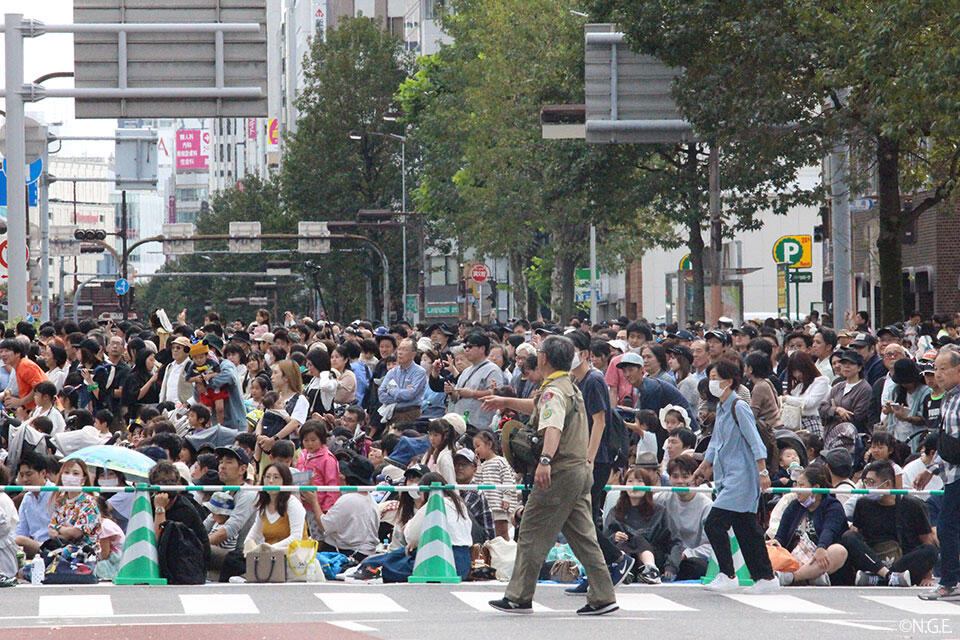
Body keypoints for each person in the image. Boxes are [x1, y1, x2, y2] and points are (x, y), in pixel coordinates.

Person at [489, 334, 618, 617]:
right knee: (584, 536)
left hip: (558, 472)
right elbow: (540, 408)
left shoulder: (553, 391)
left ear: (544, 358)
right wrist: (505, 401)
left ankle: (519, 596)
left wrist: (544, 461)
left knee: (532, 531)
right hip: (579, 470)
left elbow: (552, 425)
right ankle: (603, 595)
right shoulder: (567, 386)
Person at [693, 359, 776, 593]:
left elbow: (755, 440)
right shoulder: (721, 406)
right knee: (745, 527)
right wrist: (705, 465)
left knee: (714, 523)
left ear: (729, 381)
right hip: (728, 476)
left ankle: (728, 574)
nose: (711, 382)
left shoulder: (738, 405)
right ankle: (765, 578)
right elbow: (716, 441)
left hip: (742, 478)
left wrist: (762, 471)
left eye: (715, 378)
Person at [841, 459, 937, 587]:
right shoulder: (863, 504)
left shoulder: (913, 505)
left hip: (903, 561)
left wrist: (927, 576)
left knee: (930, 550)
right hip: (874, 560)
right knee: (849, 537)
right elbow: (856, 534)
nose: (868, 487)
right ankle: (888, 576)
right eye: (866, 482)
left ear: (888, 484)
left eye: (872, 482)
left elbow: (927, 540)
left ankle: (880, 579)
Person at [916, 346, 960, 600]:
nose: (938, 375)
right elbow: (946, 442)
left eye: (944, 369)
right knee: (947, 526)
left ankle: (950, 581)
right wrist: (929, 470)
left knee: (946, 526)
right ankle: (951, 580)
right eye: (936, 369)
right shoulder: (947, 399)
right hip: (952, 475)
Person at [771, 465, 849, 586]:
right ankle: (804, 577)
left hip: (821, 557)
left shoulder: (833, 506)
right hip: (793, 558)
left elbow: (829, 530)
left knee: (839, 551)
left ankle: (794, 578)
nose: (797, 489)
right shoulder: (794, 506)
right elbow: (781, 536)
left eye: (801, 485)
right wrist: (775, 542)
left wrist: (821, 547)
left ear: (816, 488)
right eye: (796, 484)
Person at [604, 465, 677, 584]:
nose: (634, 485)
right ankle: (624, 569)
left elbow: (674, 540)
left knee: (637, 538)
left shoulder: (659, 511)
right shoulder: (615, 512)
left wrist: (671, 566)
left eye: (640, 481)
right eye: (630, 481)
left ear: (647, 486)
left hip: (653, 556)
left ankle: (650, 570)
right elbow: (605, 539)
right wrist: (614, 537)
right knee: (625, 541)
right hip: (624, 556)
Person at [656, 455, 713, 581]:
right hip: (666, 556)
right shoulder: (661, 498)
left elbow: (711, 546)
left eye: (685, 476)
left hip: (691, 559)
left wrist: (686, 554)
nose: (680, 481)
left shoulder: (707, 506)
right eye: (675, 476)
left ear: (695, 477)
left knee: (698, 567)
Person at [150, 460, 212, 575]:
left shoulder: (184, 509)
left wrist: (160, 509)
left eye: (172, 482)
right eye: (163, 482)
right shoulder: (149, 502)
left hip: (187, 563)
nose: (168, 486)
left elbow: (160, 541)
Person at [204, 446, 257, 573]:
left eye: (228, 462)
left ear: (242, 469)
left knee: (197, 550)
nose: (222, 466)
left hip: (240, 556)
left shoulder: (248, 493)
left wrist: (198, 544)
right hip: (225, 553)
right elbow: (207, 522)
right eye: (221, 462)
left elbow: (229, 530)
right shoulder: (225, 492)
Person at [315, 456, 379, 559]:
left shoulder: (348, 499)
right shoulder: (370, 498)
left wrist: (313, 502)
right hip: (366, 551)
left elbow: (325, 525)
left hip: (350, 553)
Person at [442, 332, 505, 430]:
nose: (466, 350)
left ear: (482, 349)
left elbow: (496, 393)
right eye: (465, 347)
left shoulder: (493, 369)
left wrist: (472, 393)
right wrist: (452, 392)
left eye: (470, 347)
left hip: (480, 426)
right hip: (461, 424)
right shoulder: (466, 370)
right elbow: (457, 397)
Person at [294, 420, 340, 538]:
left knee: (318, 539)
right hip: (301, 505)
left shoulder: (327, 459)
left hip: (317, 507)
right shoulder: (302, 455)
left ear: (322, 440)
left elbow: (332, 486)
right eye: (306, 440)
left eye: (313, 440)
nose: (309, 443)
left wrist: (326, 510)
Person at [247, 462, 307, 551]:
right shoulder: (263, 504)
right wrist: (247, 546)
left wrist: (269, 548)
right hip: (270, 557)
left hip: (294, 557)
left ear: (285, 481)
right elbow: (254, 532)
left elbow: (296, 537)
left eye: (276, 477)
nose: (270, 481)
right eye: (267, 477)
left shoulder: (293, 504)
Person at [819, 349, 873, 446]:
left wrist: (831, 412)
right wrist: (837, 410)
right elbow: (821, 409)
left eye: (851, 363)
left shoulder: (865, 389)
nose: (846, 366)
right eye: (844, 363)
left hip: (850, 440)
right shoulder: (838, 386)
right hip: (830, 437)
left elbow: (856, 417)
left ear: (859, 367)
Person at [473, 429, 519, 540]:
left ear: (489, 444)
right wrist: (478, 465)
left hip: (500, 505)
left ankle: (507, 554)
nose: (476, 450)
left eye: (478, 446)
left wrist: (506, 497)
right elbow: (477, 482)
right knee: (493, 535)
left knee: (502, 533)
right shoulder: (483, 466)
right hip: (489, 506)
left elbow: (508, 479)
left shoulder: (500, 461)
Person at [47, 458, 102, 549]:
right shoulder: (60, 500)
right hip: (60, 549)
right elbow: (51, 530)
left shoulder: (88, 502)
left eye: (75, 473)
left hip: (84, 554)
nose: (70, 476)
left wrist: (58, 528)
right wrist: (62, 531)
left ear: (83, 479)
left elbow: (76, 533)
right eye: (66, 472)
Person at [377, 338, 427, 426]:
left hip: (410, 413)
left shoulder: (419, 372)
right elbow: (381, 394)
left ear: (413, 354)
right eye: (399, 349)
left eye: (404, 350)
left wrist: (391, 391)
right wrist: (402, 394)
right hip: (392, 413)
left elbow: (410, 394)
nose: (400, 352)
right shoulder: (392, 372)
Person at [14, 452, 54, 559]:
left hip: (54, 545)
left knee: (19, 540)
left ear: (43, 473)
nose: (25, 479)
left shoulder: (56, 494)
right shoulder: (27, 499)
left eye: (29, 474)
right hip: (36, 548)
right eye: (22, 475)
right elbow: (21, 530)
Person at [781, 351, 831, 436]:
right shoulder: (798, 387)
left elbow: (809, 403)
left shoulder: (821, 381)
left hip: (810, 423)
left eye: (799, 371)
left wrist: (787, 398)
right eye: (794, 372)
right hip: (795, 425)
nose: (796, 375)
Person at [452, 448, 496, 542]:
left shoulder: (475, 491)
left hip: (483, 543)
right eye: (457, 464)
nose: (459, 468)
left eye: (464, 465)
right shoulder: (457, 489)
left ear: (474, 469)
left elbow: (459, 515)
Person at [0, 338, 48, 411]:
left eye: (7, 351)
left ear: (18, 353)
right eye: (1, 351)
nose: (3, 354)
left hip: (42, 409)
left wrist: (20, 401)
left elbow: (39, 387)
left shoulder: (25, 365)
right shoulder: (17, 367)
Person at [424, 418, 458, 484]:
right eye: (430, 434)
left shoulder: (445, 458)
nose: (432, 438)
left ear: (445, 436)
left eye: (435, 435)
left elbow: (450, 483)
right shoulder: (429, 453)